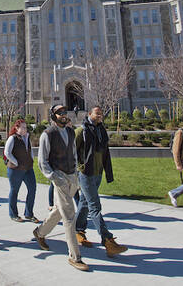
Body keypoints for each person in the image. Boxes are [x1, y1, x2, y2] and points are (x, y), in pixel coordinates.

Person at [33, 105, 88, 271]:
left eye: (65, 112)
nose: (64, 115)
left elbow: (73, 152)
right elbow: (42, 161)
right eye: (60, 113)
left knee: (60, 210)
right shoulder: (47, 134)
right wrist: (54, 177)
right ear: (53, 115)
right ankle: (74, 256)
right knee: (70, 215)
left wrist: (77, 172)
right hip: (60, 177)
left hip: (72, 176)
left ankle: (40, 232)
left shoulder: (71, 132)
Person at [74, 106, 128, 257]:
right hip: (85, 174)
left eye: (101, 113)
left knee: (84, 203)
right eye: (97, 113)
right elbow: (72, 152)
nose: (100, 115)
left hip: (97, 173)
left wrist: (106, 171)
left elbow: (105, 152)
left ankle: (77, 230)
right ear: (89, 114)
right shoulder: (81, 131)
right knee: (95, 206)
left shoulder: (101, 130)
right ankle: (107, 240)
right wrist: (80, 167)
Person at [4, 119, 40, 223]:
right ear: (17, 128)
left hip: (28, 168)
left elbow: (30, 149)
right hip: (15, 170)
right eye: (23, 127)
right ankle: (13, 214)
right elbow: (7, 152)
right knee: (14, 191)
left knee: (32, 189)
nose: (25, 129)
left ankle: (29, 214)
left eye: (26, 127)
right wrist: (15, 162)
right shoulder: (13, 138)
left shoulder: (27, 137)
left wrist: (32, 159)